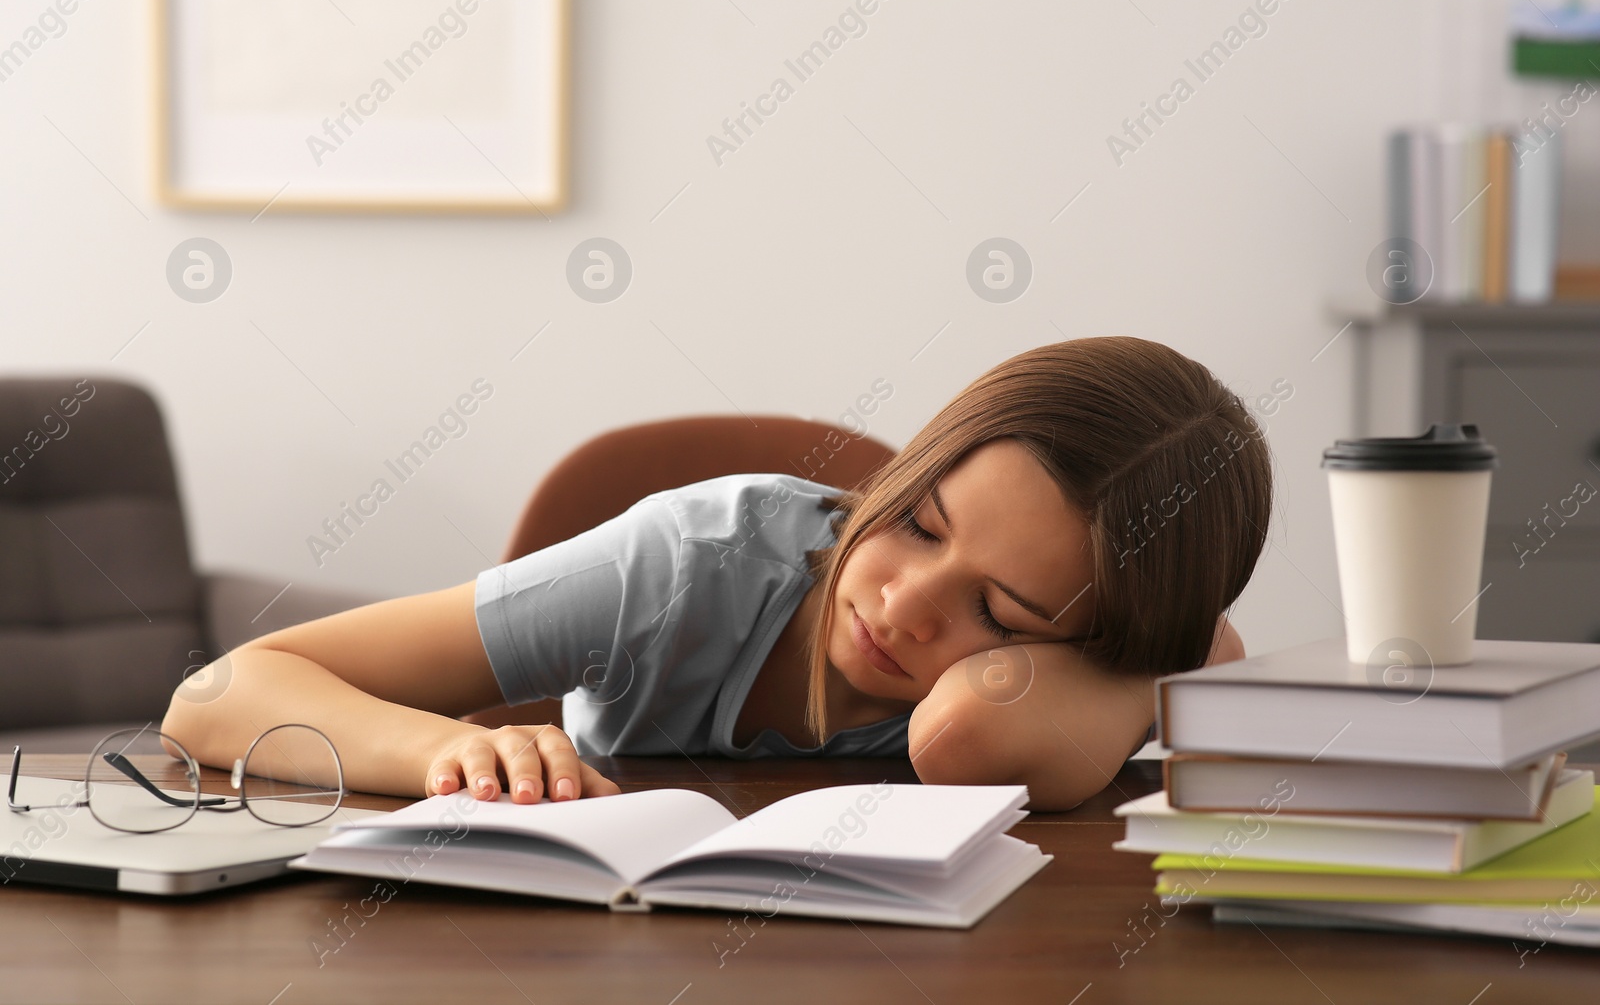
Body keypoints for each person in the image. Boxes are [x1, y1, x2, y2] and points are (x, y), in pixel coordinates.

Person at [163, 336, 1272, 811]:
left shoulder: (1077, 668)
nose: (901, 603)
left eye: (998, 610)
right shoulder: (681, 567)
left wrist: (1141, 667)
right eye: (921, 526)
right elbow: (215, 696)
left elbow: (969, 735)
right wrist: (447, 741)